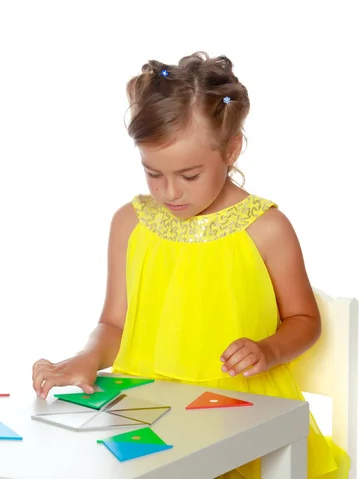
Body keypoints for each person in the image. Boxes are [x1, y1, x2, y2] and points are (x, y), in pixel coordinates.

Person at [31, 51, 349, 478]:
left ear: (231, 150)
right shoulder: (129, 223)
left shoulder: (265, 227)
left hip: (242, 415)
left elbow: (304, 318)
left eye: (190, 175)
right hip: (146, 411)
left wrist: (268, 349)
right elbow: (114, 325)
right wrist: (87, 357)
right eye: (153, 173)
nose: (170, 192)